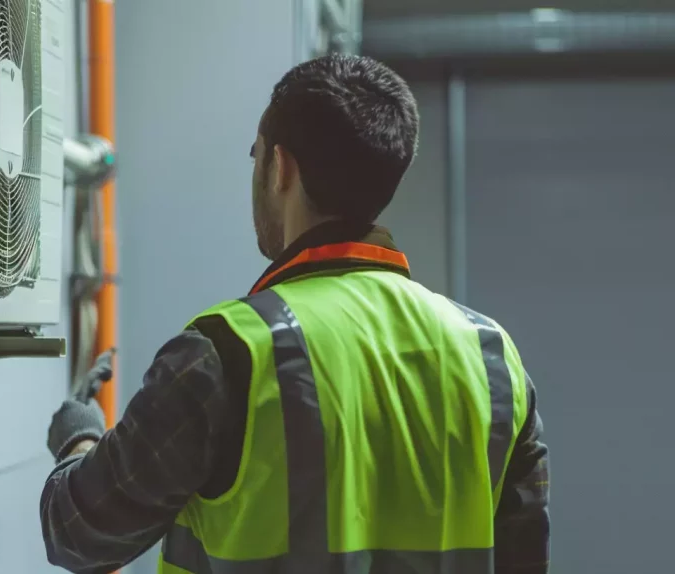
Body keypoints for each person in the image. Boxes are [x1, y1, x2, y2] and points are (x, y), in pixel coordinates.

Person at [41, 54, 550, 574]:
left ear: (280, 167)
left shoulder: (227, 353)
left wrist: (80, 438)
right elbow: (525, 557)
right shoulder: (492, 357)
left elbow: (79, 532)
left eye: (255, 156)